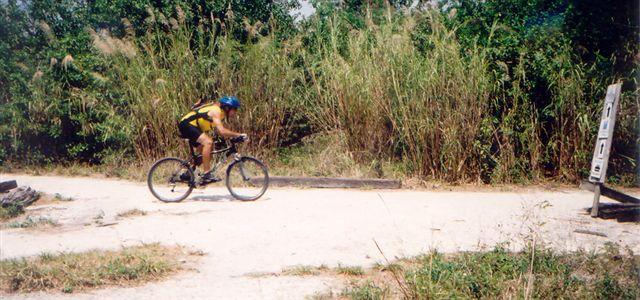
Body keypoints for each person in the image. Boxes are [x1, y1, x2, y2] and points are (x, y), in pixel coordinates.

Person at [178, 95, 247, 184]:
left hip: (194, 127)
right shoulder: (216, 111)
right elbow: (222, 131)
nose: (235, 112)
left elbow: (219, 132)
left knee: (207, 155)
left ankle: (188, 173)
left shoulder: (221, 114)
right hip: (186, 124)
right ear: (227, 108)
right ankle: (207, 174)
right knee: (208, 142)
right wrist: (238, 135)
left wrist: (234, 138)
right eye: (235, 109)